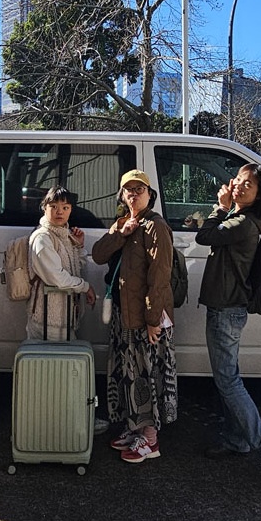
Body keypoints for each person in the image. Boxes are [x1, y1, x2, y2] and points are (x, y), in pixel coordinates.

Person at [195, 163, 261, 489]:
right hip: (230, 309)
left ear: (259, 194)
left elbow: (204, 235)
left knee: (228, 382)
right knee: (229, 377)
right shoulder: (247, 221)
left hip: (225, 311)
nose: (238, 186)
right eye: (238, 179)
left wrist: (219, 207)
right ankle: (238, 440)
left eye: (248, 184)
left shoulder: (241, 222)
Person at [91, 169, 177, 464]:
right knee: (127, 374)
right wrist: (120, 232)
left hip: (144, 317)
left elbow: (160, 277)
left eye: (139, 189)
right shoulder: (125, 224)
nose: (133, 194)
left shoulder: (156, 226)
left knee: (147, 375)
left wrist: (154, 319)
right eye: (128, 189)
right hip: (123, 315)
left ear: (150, 195)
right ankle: (135, 428)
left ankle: (150, 440)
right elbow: (98, 254)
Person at [26, 186, 96, 342]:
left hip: (63, 318)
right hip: (46, 320)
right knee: (47, 365)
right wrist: (85, 286)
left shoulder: (64, 235)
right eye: (54, 207)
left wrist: (79, 246)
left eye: (65, 207)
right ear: (45, 208)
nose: (60, 212)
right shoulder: (42, 238)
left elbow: (77, 268)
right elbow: (56, 278)